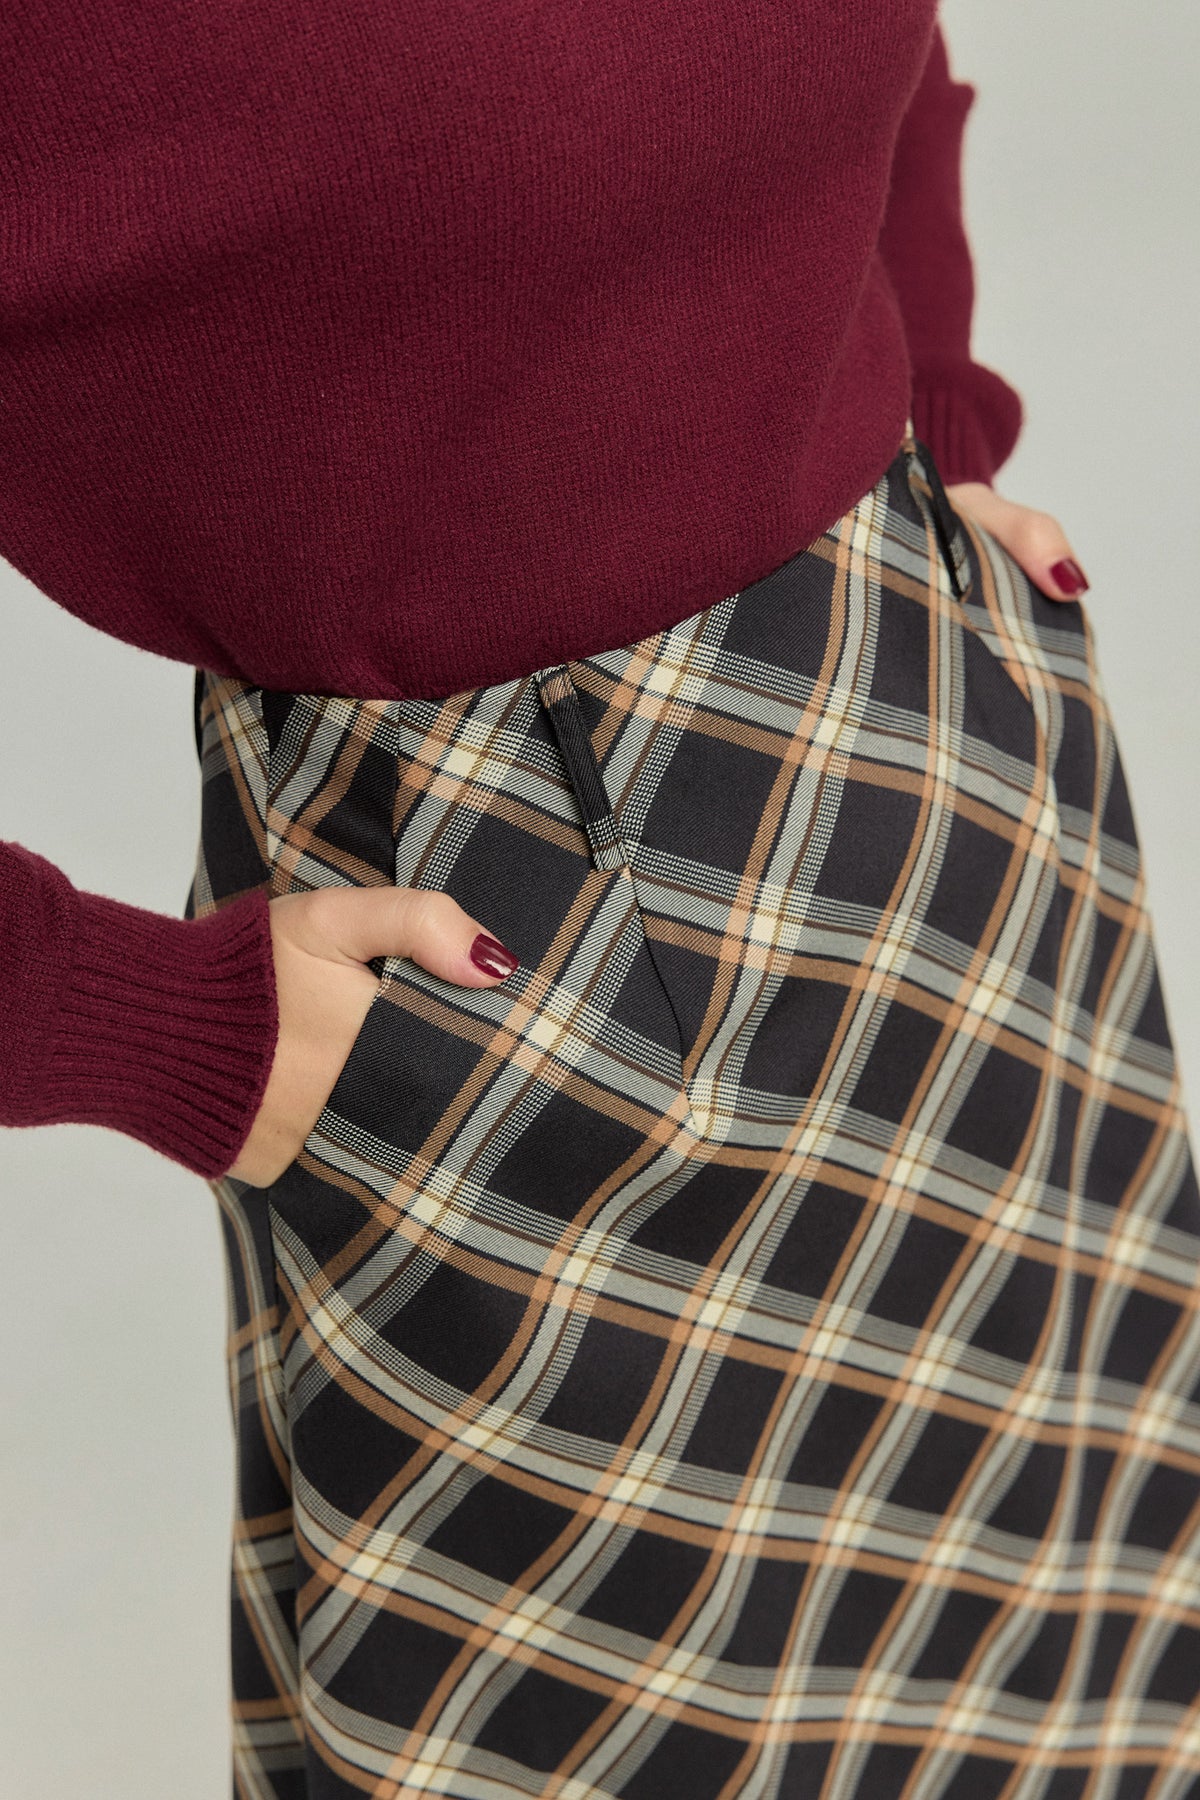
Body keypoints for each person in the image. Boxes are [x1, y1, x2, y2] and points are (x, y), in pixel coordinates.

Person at [3, 5, 1198, 1798]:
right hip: (496, 952)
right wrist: (128, 1020)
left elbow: (883, 59)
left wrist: (940, 402)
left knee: (1078, 1645)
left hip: (944, 787)